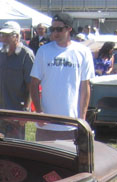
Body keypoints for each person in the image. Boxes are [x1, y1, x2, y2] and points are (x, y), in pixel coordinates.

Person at [29, 12, 94, 141]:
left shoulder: (83, 52)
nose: (55, 33)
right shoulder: (43, 51)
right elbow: (34, 83)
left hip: (71, 123)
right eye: (52, 29)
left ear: (69, 28)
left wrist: (82, 117)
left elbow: (85, 87)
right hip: (46, 124)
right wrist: (39, 112)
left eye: (59, 29)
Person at [0, 22, 34, 112]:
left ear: (17, 36)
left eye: (8, 36)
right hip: (0, 109)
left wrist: (26, 109)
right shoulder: (1, 54)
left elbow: (31, 85)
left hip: (17, 109)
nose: (4, 39)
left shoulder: (26, 55)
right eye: (2, 35)